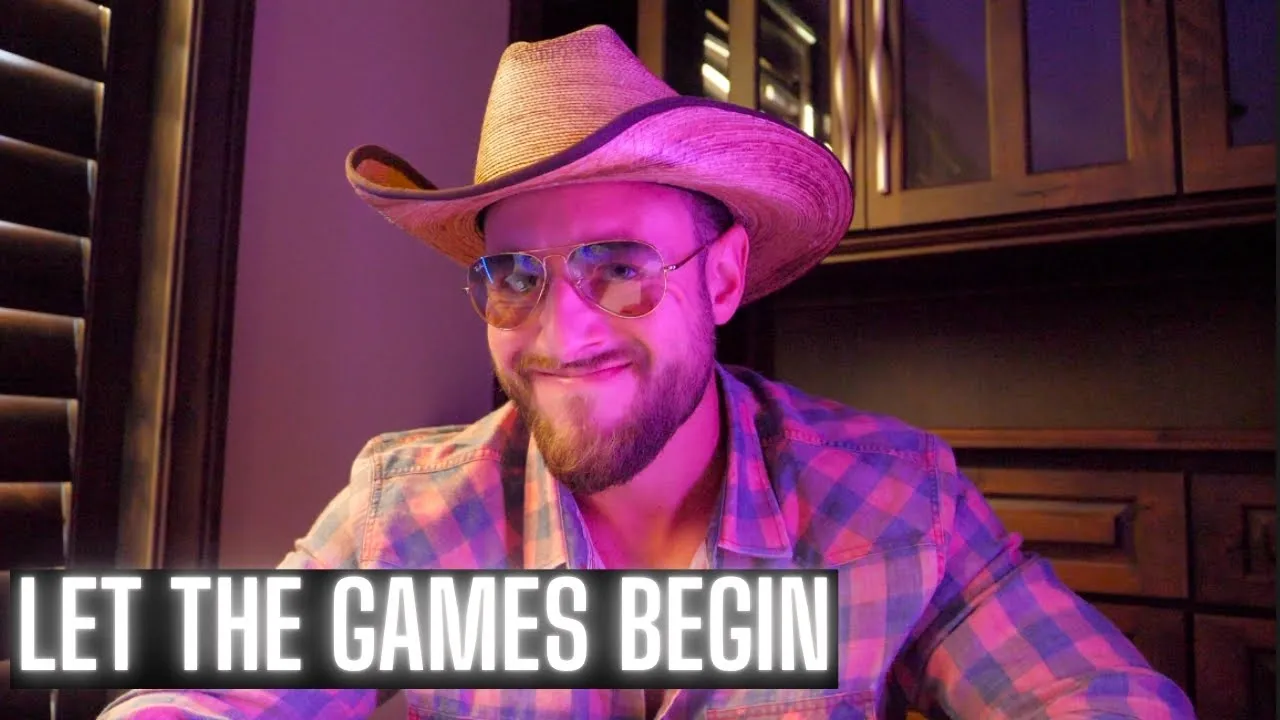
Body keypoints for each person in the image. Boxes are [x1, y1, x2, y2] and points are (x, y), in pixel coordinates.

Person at [99, 24, 1195, 720]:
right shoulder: (406, 513)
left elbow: (1093, 696)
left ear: (721, 280)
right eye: (514, 276)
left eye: (619, 267)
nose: (558, 332)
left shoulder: (896, 499)